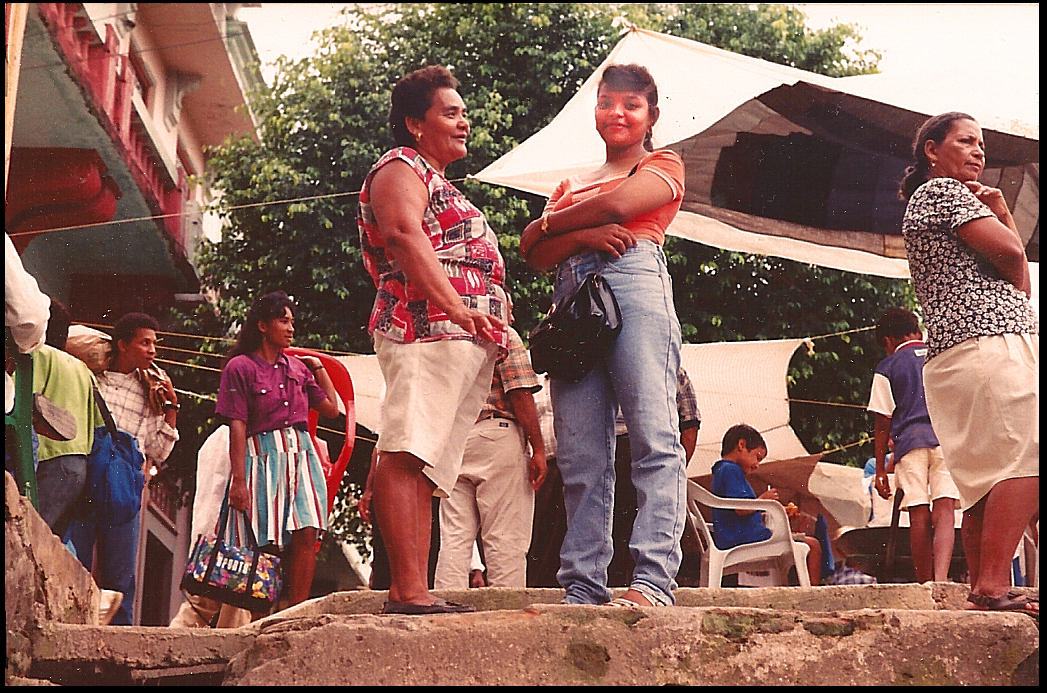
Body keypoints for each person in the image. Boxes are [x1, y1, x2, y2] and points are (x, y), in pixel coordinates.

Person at [519, 64, 687, 608]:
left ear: (650, 116)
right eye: (607, 102)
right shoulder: (572, 183)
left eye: (631, 105)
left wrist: (555, 223)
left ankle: (652, 582)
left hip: (634, 279)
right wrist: (582, 231)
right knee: (580, 454)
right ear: (595, 110)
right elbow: (532, 252)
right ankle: (583, 586)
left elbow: (621, 207)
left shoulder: (663, 164)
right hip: (573, 300)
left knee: (653, 436)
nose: (618, 113)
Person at [358, 65, 509, 614]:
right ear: (414, 124)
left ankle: (414, 589)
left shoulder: (432, 175)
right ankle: (408, 590)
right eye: (451, 112)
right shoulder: (399, 166)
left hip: (452, 337)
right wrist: (457, 307)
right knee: (405, 453)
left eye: (463, 112)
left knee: (425, 464)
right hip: (423, 330)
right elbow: (401, 234)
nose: (464, 122)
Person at [899, 112, 1038, 615]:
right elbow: (1011, 255)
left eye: (981, 145)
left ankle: (986, 586)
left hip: (960, 350)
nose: (978, 152)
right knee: (1031, 455)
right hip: (986, 342)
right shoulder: (944, 193)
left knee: (985, 477)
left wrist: (1000, 208)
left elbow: (1017, 278)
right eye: (966, 142)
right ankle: (994, 585)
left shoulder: (936, 200)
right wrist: (1003, 221)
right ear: (933, 151)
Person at [215, 291, 340, 611]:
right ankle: (262, 616)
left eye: (292, 322)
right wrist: (239, 481)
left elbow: (331, 410)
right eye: (283, 321)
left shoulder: (298, 369)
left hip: (301, 455)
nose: (290, 328)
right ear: (262, 325)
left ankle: (296, 611)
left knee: (308, 530)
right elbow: (238, 425)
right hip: (261, 455)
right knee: (263, 539)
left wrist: (318, 368)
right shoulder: (239, 367)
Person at [66, 312, 179, 625]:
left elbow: (160, 450)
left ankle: (120, 638)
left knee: (121, 570)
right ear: (123, 344)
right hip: (88, 477)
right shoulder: (91, 378)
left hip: (124, 484)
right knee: (78, 560)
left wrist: (172, 407)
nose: (152, 350)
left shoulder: (150, 391)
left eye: (154, 343)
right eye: (145, 343)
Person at [433, 326, 546, 590]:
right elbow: (519, 391)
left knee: (454, 537)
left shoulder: (442, 334)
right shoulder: (501, 332)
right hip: (496, 433)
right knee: (505, 538)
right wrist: (538, 448)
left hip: (453, 440)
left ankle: (445, 612)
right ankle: (507, 616)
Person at [867, 307, 959, 583]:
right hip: (946, 440)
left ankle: (924, 583)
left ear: (887, 341)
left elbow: (882, 421)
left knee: (918, 510)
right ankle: (941, 578)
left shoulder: (887, 367)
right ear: (918, 331)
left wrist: (882, 469)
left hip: (909, 445)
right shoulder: (942, 355)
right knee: (944, 509)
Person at [608, 366, 700, 588]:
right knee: (617, 527)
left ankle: (647, 585)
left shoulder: (673, 367)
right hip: (614, 449)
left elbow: (690, 424)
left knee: (643, 523)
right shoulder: (603, 361)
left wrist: (674, 469)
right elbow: (690, 424)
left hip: (648, 448)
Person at [710, 424, 821, 586]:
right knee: (813, 545)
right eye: (757, 457)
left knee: (802, 544)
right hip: (743, 538)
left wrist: (779, 512)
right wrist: (764, 500)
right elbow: (741, 508)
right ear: (741, 445)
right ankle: (813, 595)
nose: (757, 465)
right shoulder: (731, 470)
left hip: (735, 535)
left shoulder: (723, 471)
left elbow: (737, 511)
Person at [31, 300, 103, 539]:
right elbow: (98, 423)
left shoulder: (38, 355)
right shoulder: (84, 370)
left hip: (49, 460)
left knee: (27, 536)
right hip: (78, 468)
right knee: (48, 541)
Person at [168, 425, 252, 628]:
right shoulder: (239, 442)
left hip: (208, 542)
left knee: (200, 605)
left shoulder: (214, 440)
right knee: (231, 605)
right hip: (228, 544)